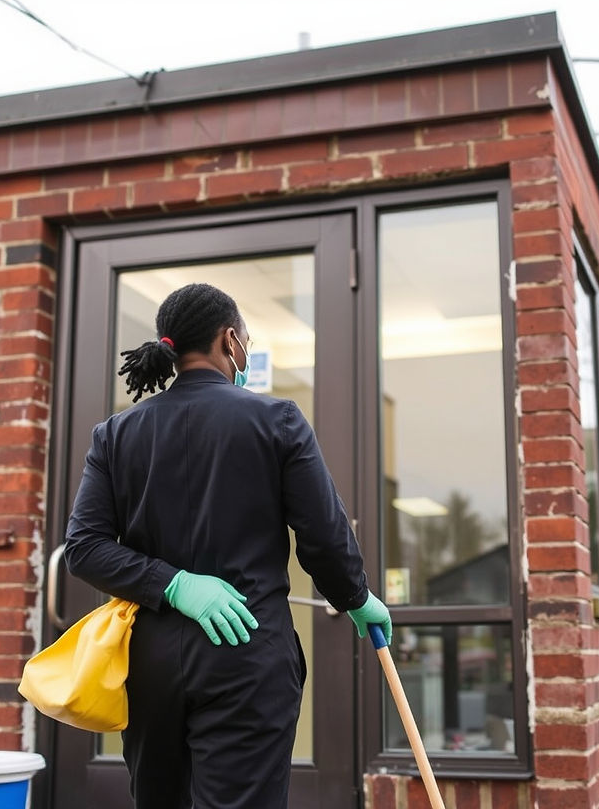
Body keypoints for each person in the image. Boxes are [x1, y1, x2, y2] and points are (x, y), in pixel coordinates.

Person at [64, 282, 392, 809]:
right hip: (246, 657)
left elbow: (84, 547)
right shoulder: (277, 421)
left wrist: (170, 585)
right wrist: (356, 597)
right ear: (231, 341)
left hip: (151, 667)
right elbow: (325, 538)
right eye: (247, 341)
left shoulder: (115, 434)